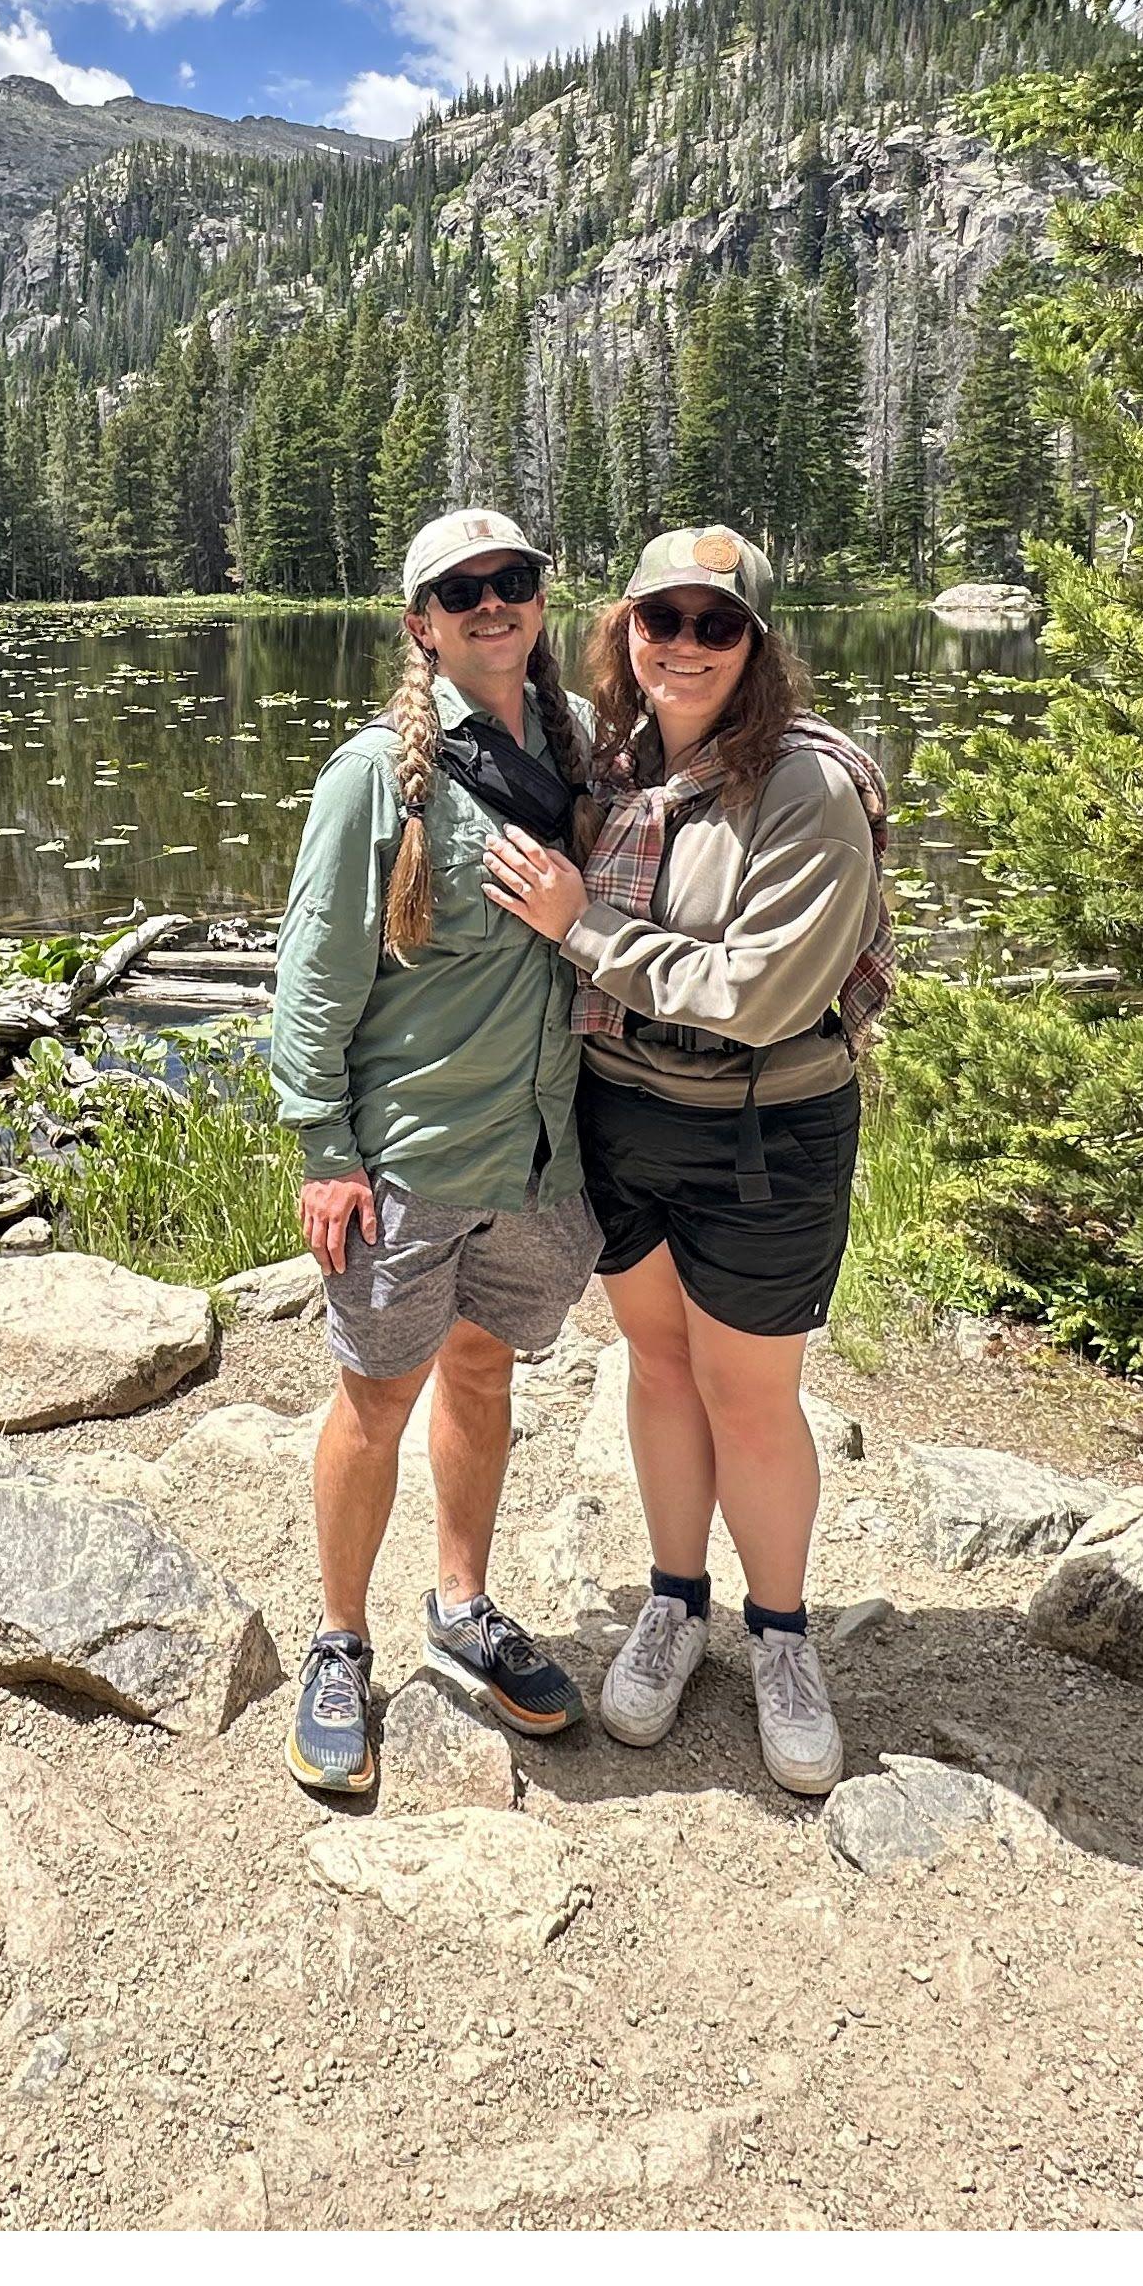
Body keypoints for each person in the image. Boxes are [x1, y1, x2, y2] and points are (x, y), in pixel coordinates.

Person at [479, 524, 889, 1797]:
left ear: (757, 643)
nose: (687, 646)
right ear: (627, 635)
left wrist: (582, 926)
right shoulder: (613, 767)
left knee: (750, 1396)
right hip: (626, 1120)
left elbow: (757, 994)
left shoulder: (807, 787)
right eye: (663, 621)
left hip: (766, 1130)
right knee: (657, 1365)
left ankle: (780, 1637)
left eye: (718, 625)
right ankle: (674, 1602)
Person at [266, 506, 603, 1797]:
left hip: (532, 1164)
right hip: (406, 1166)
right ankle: (339, 1639)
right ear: (422, 625)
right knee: (375, 1397)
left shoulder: (575, 757)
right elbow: (312, 976)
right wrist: (322, 1148)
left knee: (480, 1375)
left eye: (513, 581)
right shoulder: (375, 777)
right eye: (461, 592)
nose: (493, 604)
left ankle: (462, 1607)